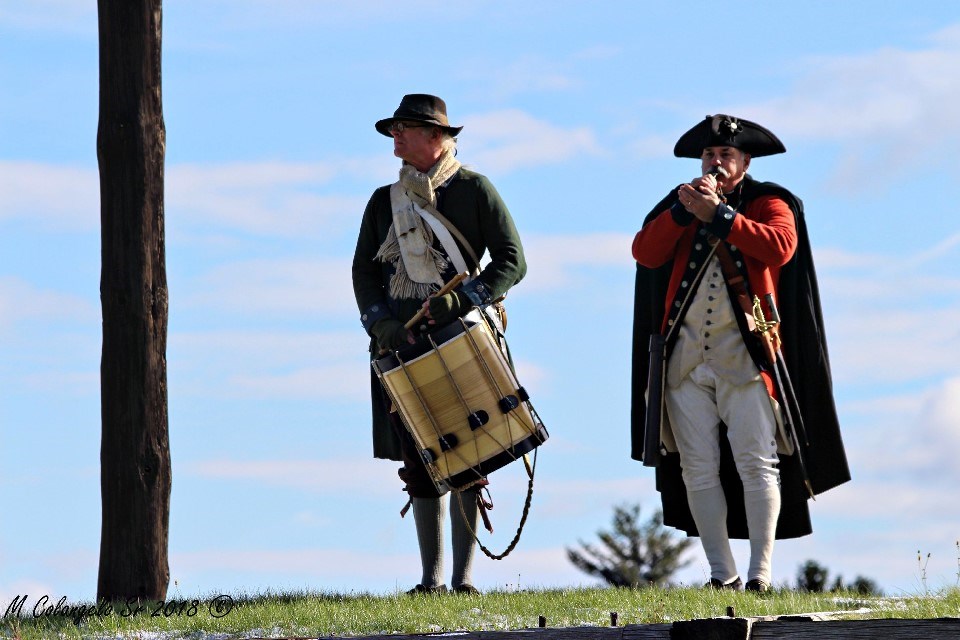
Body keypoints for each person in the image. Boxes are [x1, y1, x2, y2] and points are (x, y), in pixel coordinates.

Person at [631, 114, 850, 592]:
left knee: (757, 462)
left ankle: (760, 573)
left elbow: (780, 247)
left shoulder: (769, 201)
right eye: (709, 155)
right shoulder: (679, 203)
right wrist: (685, 214)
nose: (715, 162)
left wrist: (723, 218)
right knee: (696, 467)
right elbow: (645, 252)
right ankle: (721, 573)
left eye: (725, 155)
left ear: (744, 162)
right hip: (685, 360)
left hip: (747, 359)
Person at [352, 94, 526, 595]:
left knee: (470, 455)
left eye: (404, 129)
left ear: (436, 136)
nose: (396, 139)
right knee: (418, 458)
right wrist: (380, 324)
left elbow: (512, 261)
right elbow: (364, 271)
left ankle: (463, 580)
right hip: (399, 342)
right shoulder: (383, 201)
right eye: (395, 131)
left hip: (463, 336)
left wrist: (461, 302)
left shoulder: (474, 189)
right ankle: (429, 580)